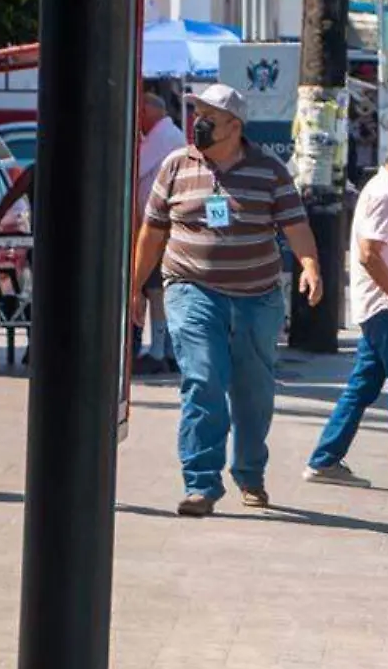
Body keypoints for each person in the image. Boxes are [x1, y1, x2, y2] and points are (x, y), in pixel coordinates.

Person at [129, 84, 323, 517]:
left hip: (257, 297)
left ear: (235, 126)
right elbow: (152, 232)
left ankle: (250, 473)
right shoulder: (175, 166)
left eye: (208, 116)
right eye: (195, 112)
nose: (197, 122)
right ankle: (201, 483)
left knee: (253, 393)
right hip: (190, 287)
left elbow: (296, 225)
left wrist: (310, 266)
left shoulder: (269, 170)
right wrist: (134, 287)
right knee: (203, 378)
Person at [303, 128, 388, 496]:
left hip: (385, 306)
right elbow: (369, 255)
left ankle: (325, 458)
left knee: (363, 386)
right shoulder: (386, 194)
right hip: (386, 307)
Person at [135, 92, 187, 374]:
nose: (138, 118)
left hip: (160, 227)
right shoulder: (167, 135)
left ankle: (158, 351)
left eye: (140, 111)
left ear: (149, 110)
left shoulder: (164, 135)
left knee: (156, 289)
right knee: (157, 290)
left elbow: (135, 167)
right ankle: (163, 349)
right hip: (157, 224)